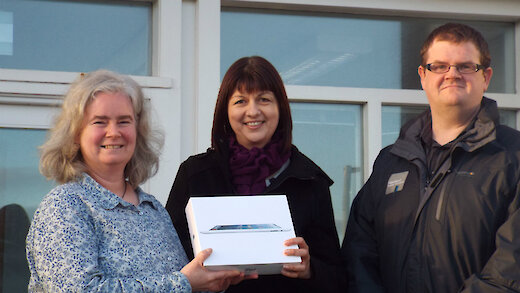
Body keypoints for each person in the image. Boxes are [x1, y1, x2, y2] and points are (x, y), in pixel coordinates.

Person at [26, 70, 246, 292]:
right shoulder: (65, 205)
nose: (113, 132)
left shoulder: (153, 209)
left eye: (124, 121)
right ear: (75, 134)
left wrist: (209, 282)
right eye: (100, 122)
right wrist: (184, 283)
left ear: (138, 131)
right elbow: (80, 290)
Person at [342, 22, 520, 293]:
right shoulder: (391, 161)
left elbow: (511, 268)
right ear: (423, 76)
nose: (452, 74)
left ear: (486, 77)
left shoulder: (513, 156)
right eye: (439, 66)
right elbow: (359, 252)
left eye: (466, 66)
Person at [166, 56, 345, 292]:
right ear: (225, 111)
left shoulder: (309, 180)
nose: (253, 111)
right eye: (240, 101)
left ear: (280, 108)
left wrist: (310, 269)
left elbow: (338, 278)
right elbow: (166, 261)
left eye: (264, 100)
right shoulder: (195, 174)